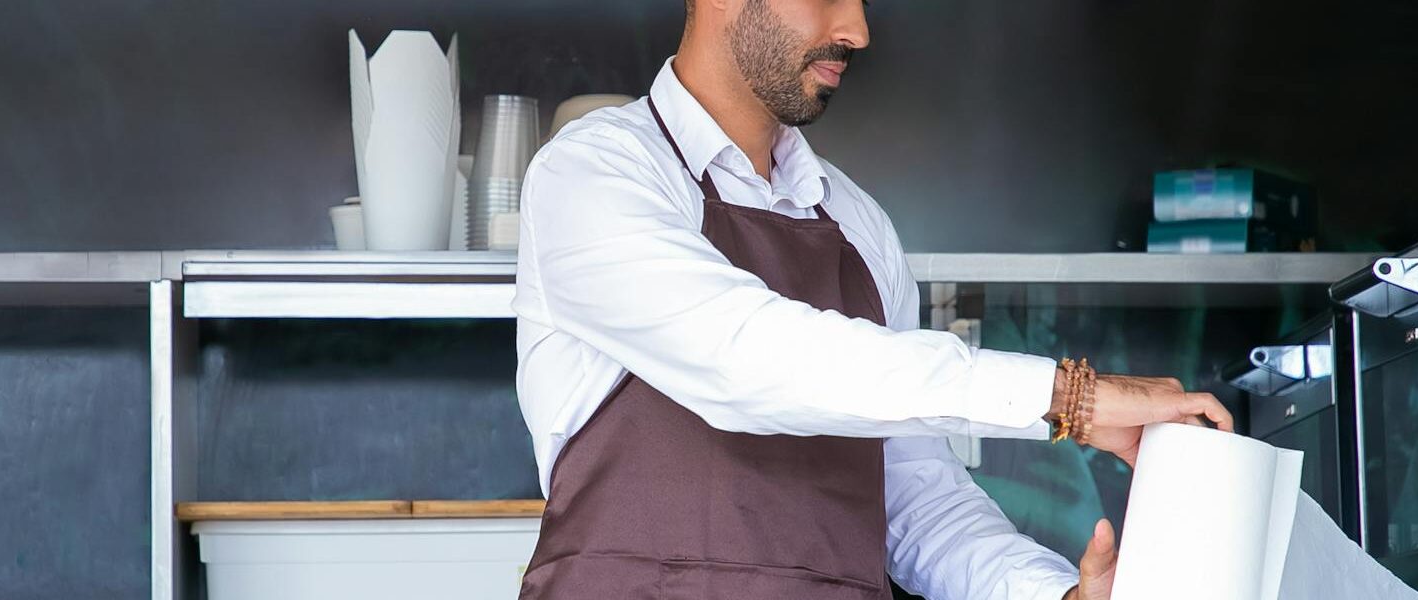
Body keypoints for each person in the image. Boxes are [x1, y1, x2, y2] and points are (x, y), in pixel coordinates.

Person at [510, 1, 1234, 598]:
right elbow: (745, 358)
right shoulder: (593, 172)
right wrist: (1068, 398)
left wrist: (1054, 595)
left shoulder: (859, 226)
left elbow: (917, 500)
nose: (857, 29)